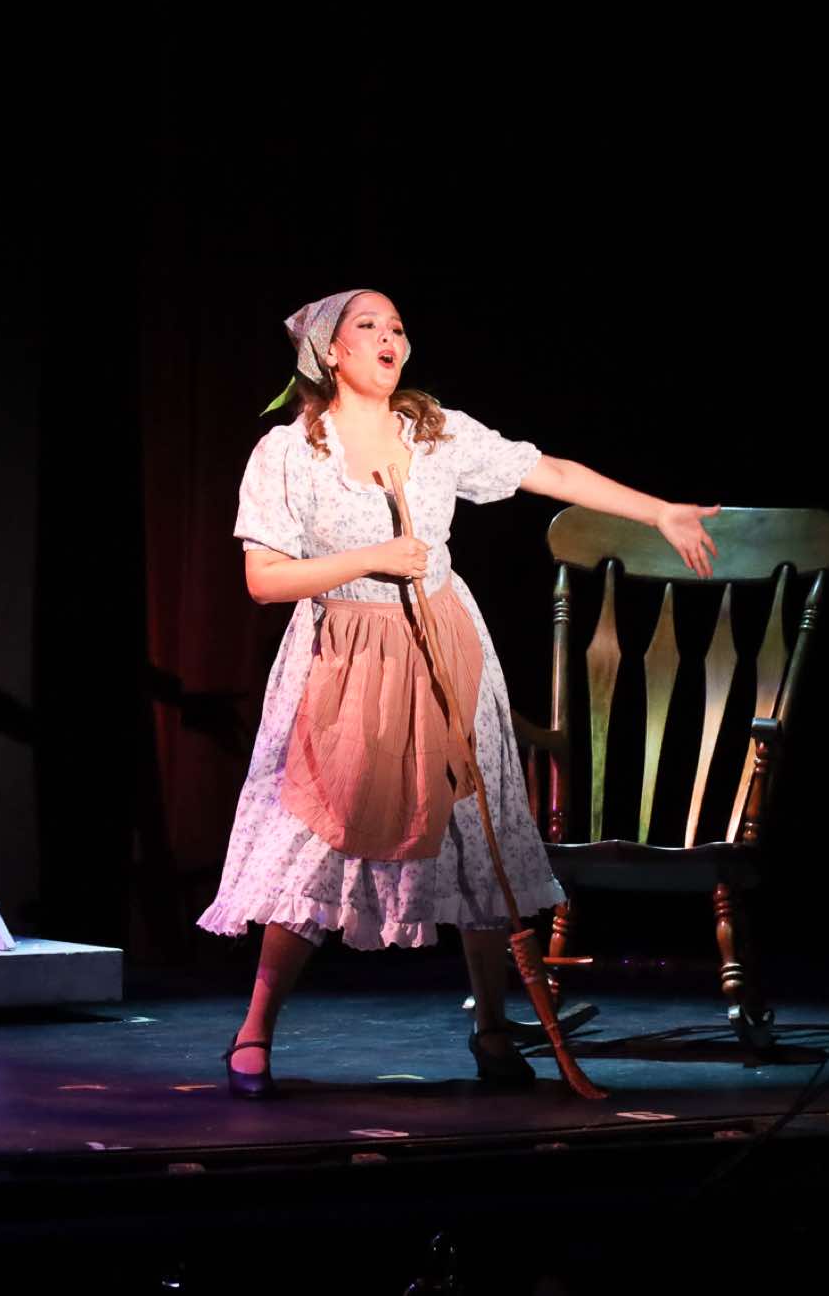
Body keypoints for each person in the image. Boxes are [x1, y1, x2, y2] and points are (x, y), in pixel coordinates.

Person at [197, 289, 719, 1098]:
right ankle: (256, 1027)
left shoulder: (434, 433)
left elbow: (549, 470)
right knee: (318, 836)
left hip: (444, 645)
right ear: (330, 351)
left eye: (398, 326)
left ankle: (492, 1025)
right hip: (344, 658)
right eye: (369, 325)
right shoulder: (289, 451)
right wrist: (373, 558)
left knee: (476, 834)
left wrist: (659, 513)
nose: (390, 337)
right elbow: (264, 578)